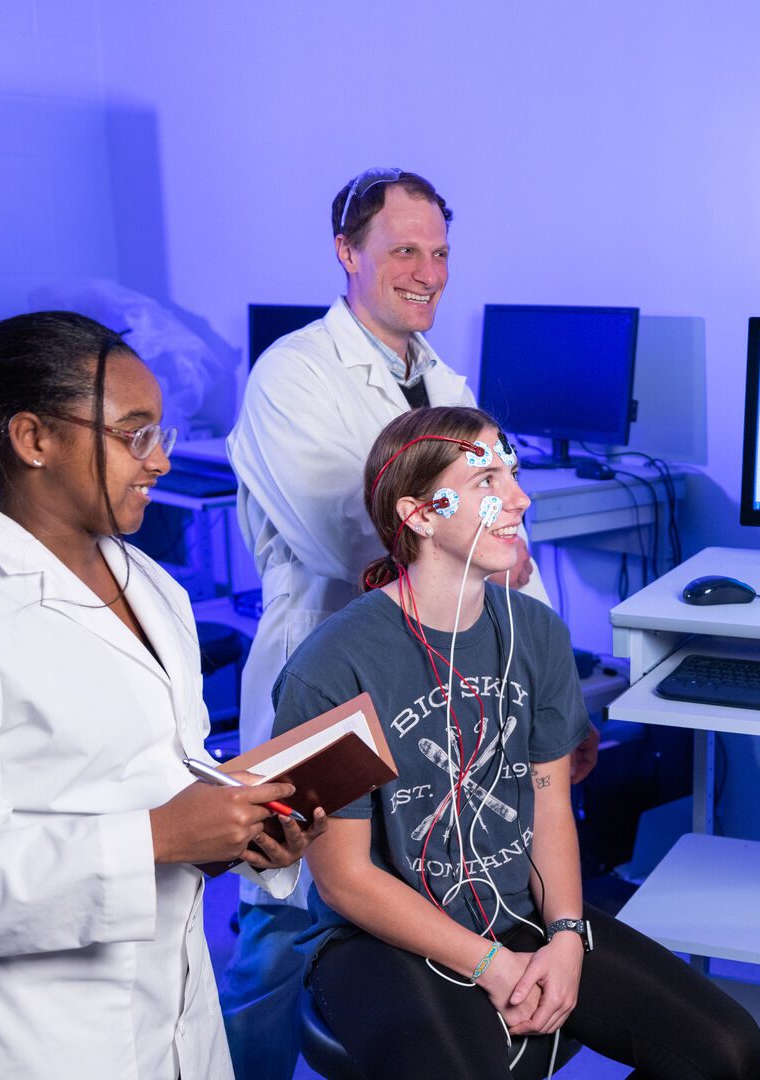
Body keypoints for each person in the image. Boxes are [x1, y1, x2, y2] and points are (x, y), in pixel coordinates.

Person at [0, 312, 319, 1079]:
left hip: (179, 1013)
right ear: (33, 439)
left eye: (162, 435)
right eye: (134, 435)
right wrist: (156, 837)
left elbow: (149, 778)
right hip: (36, 1037)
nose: (157, 462)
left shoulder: (151, 588)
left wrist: (243, 835)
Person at [221, 166, 591, 1077]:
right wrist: (482, 544)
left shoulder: (437, 375)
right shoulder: (294, 375)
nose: (426, 271)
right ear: (347, 254)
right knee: (286, 917)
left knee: (422, 891)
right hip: (335, 677)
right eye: (402, 251)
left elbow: (486, 560)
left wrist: (557, 711)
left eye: (439, 253)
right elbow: (362, 540)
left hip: (447, 687)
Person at [281, 405, 760, 1078]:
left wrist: (567, 935)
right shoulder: (333, 666)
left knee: (730, 1055)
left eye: (512, 473)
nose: (520, 498)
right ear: (421, 514)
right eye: (487, 482)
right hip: (380, 939)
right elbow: (345, 880)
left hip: (521, 911)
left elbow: (549, 808)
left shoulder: (537, 634)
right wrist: (491, 964)